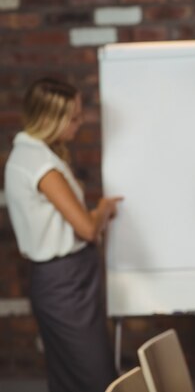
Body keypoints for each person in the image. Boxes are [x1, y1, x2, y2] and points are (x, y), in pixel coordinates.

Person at [4, 77, 122, 392]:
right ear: (49, 119)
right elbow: (85, 228)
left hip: (64, 281)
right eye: (72, 118)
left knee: (73, 377)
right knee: (95, 377)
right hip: (64, 281)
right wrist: (103, 210)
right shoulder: (42, 165)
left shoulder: (31, 155)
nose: (79, 123)